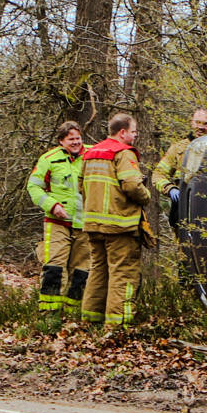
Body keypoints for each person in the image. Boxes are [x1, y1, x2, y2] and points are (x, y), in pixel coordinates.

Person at [79, 113, 151, 330]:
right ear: (122, 132)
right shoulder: (123, 154)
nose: (136, 135)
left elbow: (81, 185)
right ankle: (117, 326)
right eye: (134, 131)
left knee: (98, 271)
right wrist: (146, 195)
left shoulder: (90, 153)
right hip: (120, 226)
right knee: (123, 273)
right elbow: (132, 186)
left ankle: (91, 321)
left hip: (93, 224)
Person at [26, 121, 88, 315]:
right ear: (61, 141)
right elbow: (33, 187)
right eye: (71, 139)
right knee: (54, 267)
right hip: (57, 223)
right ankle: (49, 314)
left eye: (78, 138)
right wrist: (52, 205)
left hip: (84, 224)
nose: (76, 142)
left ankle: (73, 314)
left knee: (82, 271)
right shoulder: (49, 159)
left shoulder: (93, 155)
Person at [151, 107, 207, 198]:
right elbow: (158, 174)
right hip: (182, 203)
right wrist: (170, 189)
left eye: (205, 124)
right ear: (191, 122)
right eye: (197, 122)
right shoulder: (178, 149)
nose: (200, 127)